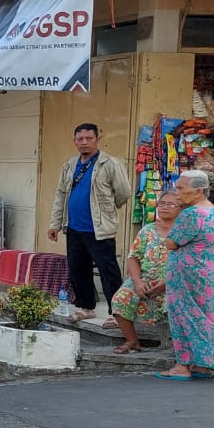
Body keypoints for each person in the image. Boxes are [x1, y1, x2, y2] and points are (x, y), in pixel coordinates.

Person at [48, 123, 133, 321]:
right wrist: (55, 223)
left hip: (99, 228)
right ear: (74, 141)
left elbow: (123, 193)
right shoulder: (70, 164)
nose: (84, 142)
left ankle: (117, 312)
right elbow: (61, 195)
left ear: (97, 140)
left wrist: (107, 211)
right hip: (74, 227)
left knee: (108, 270)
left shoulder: (110, 164)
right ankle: (86, 307)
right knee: (78, 268)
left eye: (89, 138)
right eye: (80, 139)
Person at [159, 170, 214, 380]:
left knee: (183, 316)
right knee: (203, 317)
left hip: (185, 275)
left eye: (181, 188)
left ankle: (182, 365)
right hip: (204, 272)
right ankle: (203, 363)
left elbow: (171, 242)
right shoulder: (213, 212)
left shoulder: (191, 214)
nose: (177, 193)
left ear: (198, 191)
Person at [108, 194, 179, 355]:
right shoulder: (147, 230)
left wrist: (167, 281)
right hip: (145, 280)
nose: (165, 207)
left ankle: (181, 349)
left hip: (173, 282)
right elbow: (133, 257)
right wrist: (138, 281)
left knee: (179, 304)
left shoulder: (183, 233)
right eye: (162, 203)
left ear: (181, 209)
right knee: (120, 299)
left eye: (171, 204)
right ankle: (132, 341)